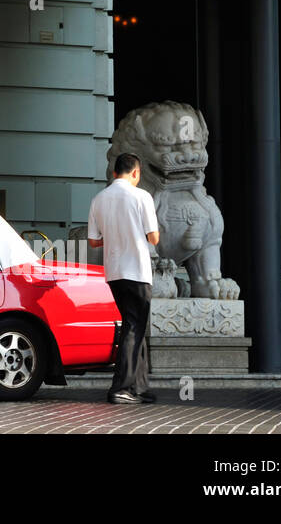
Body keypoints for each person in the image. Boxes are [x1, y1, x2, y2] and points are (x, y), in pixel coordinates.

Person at [88, 152, 160, 405]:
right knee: (133, 327)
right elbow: (154, 238)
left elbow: (94, 241)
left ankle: (138, 387)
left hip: (114, 273)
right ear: (136, 173)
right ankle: (121, 388)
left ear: (114, 172)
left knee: (134, 325)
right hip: (137, 271)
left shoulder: (99, 199)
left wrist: (116, 234)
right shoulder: (141, 196)